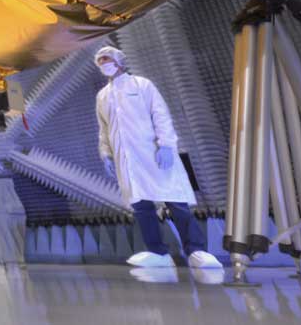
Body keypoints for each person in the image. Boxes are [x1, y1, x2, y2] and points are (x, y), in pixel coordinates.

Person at [94, 45, 222, 269]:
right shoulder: (102, 96)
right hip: (127, 160)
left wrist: (165, 145)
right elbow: (103, 129)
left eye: (107, 59)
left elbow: (160, 115)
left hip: (152, 153)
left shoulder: (141, 85)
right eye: (101, 61)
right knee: (141, 206)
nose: (104, 63)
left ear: (119, 61)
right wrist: (105, 153)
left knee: (176, 202)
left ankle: (196, 250)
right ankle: (158, 252)